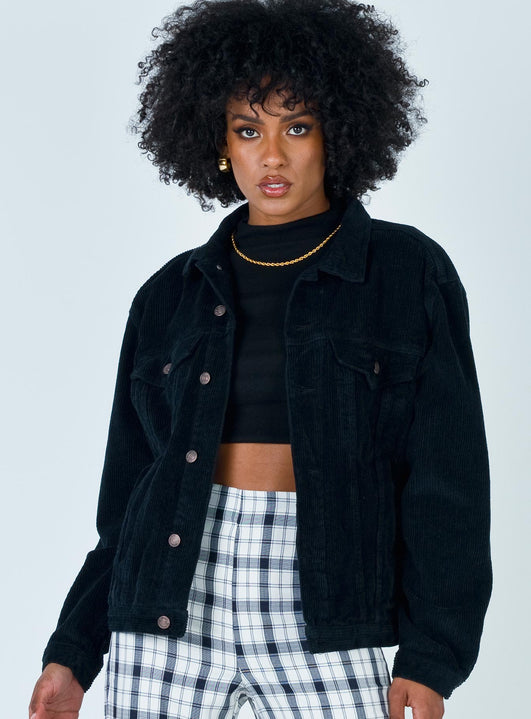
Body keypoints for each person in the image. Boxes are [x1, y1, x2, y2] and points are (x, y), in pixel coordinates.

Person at [29, 1, 492, 718]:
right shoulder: (169, 295)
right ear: (219, 143)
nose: (271, 156)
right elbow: (126, 501)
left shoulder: (405, 273)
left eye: (296, 127)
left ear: (337, 132)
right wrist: (72, 650)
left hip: (330, 600)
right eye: (248, 130)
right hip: (168, 596)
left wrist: (433, 656)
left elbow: (447, 484)